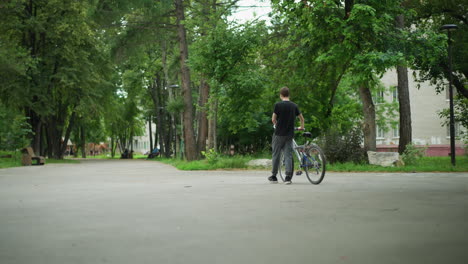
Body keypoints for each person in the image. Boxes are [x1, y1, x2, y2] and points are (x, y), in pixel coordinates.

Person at [269, 86, 304, 185]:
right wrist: (301, 127)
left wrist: (276, 124)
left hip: (279, 134)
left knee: (276, 154)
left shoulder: (278, 105)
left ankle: (274, 176)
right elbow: (302, 119)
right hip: (289, 134)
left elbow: (273, 119)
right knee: (288, 155)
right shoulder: (294, 106)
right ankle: (288, 177)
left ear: (281, 95)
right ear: (289, 95)